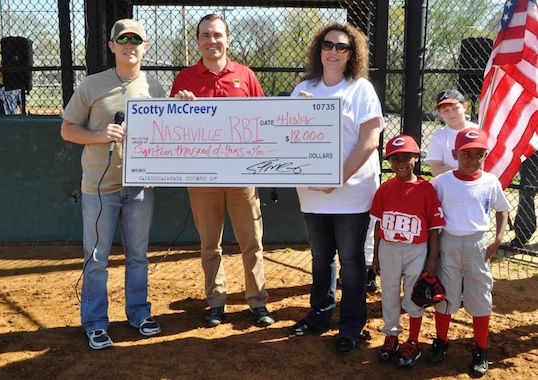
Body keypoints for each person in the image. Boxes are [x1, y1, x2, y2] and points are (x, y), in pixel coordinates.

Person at [60, 19, 164, 350]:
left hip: (139, 188)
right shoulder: (92, 85)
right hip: (98, 189)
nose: (130, 44)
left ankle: (138, 313)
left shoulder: (156, 87)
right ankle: (95, 321)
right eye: (123, 39)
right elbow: (67, 128)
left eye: (137, 39)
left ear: (145, 46)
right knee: (96, 258)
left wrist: (184, 106)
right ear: (112, 46)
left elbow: (171, 131)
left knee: (138, 255)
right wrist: (97, 135)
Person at [169, 14, 274, 328]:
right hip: (202, 177)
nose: (211, 41)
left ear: (227, 39)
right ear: (198, 40)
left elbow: (264, 120)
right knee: (209, 244)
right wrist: (179, 107)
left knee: (251, 243)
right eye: (205, 35)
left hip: (242, 176)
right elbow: (171, 128)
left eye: (217, 35)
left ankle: (257, 302)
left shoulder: (245, 75)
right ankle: (215, 303)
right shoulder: (185, 78)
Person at [288, 22, 384, 356]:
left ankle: (351, 325)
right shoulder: (302, 88)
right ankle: (320, 314)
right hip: (311, 192)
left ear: (352, 53)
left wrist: (337, 178)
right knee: (320, 257)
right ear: (319, 49)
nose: (333, 51)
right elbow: (286, 135)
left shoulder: (360, 89)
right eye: (328, 45)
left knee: (352, 262)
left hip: (352, 192)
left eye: (341, 47)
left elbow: (370, 140)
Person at [430, 128, 509, 377]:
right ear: (455, 153)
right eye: (467, 154)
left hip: (477, 244)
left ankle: (480, 348)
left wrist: (498, 238)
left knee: (479, 293)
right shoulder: (442, 182)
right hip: (449, 242)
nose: (473, 160)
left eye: (479, 155)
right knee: (445, 294)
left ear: (485, 155)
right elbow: (431, 215)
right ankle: (442, 341)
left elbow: (502, 209)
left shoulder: (489, 181)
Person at [370, 135, 445, 368]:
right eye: (395, 159)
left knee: (415, 294)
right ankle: (392, 335)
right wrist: (375, 255)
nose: (400, 163)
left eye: (406, 157)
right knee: (390, 292)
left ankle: (413, 341)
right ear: (389, 162)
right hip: (389, 248)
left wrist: (432, 257)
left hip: (416, 249)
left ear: (416, 158)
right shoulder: (385, 189)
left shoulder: (426, 189)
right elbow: (378, 225)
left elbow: (434, 227)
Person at [426, 89, 478, 176]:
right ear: (439, 113)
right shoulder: (439, 137)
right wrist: (465, 172)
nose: (451, 113)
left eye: (455, 108)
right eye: (446, 110)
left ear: (465, 106)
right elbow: (436, 168)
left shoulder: (479, 131)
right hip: (449, 184)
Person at [510, 151, 538, 248]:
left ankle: (523, 232)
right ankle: (523, 232)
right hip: (533, 148)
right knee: (526, 191)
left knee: (527, 192)